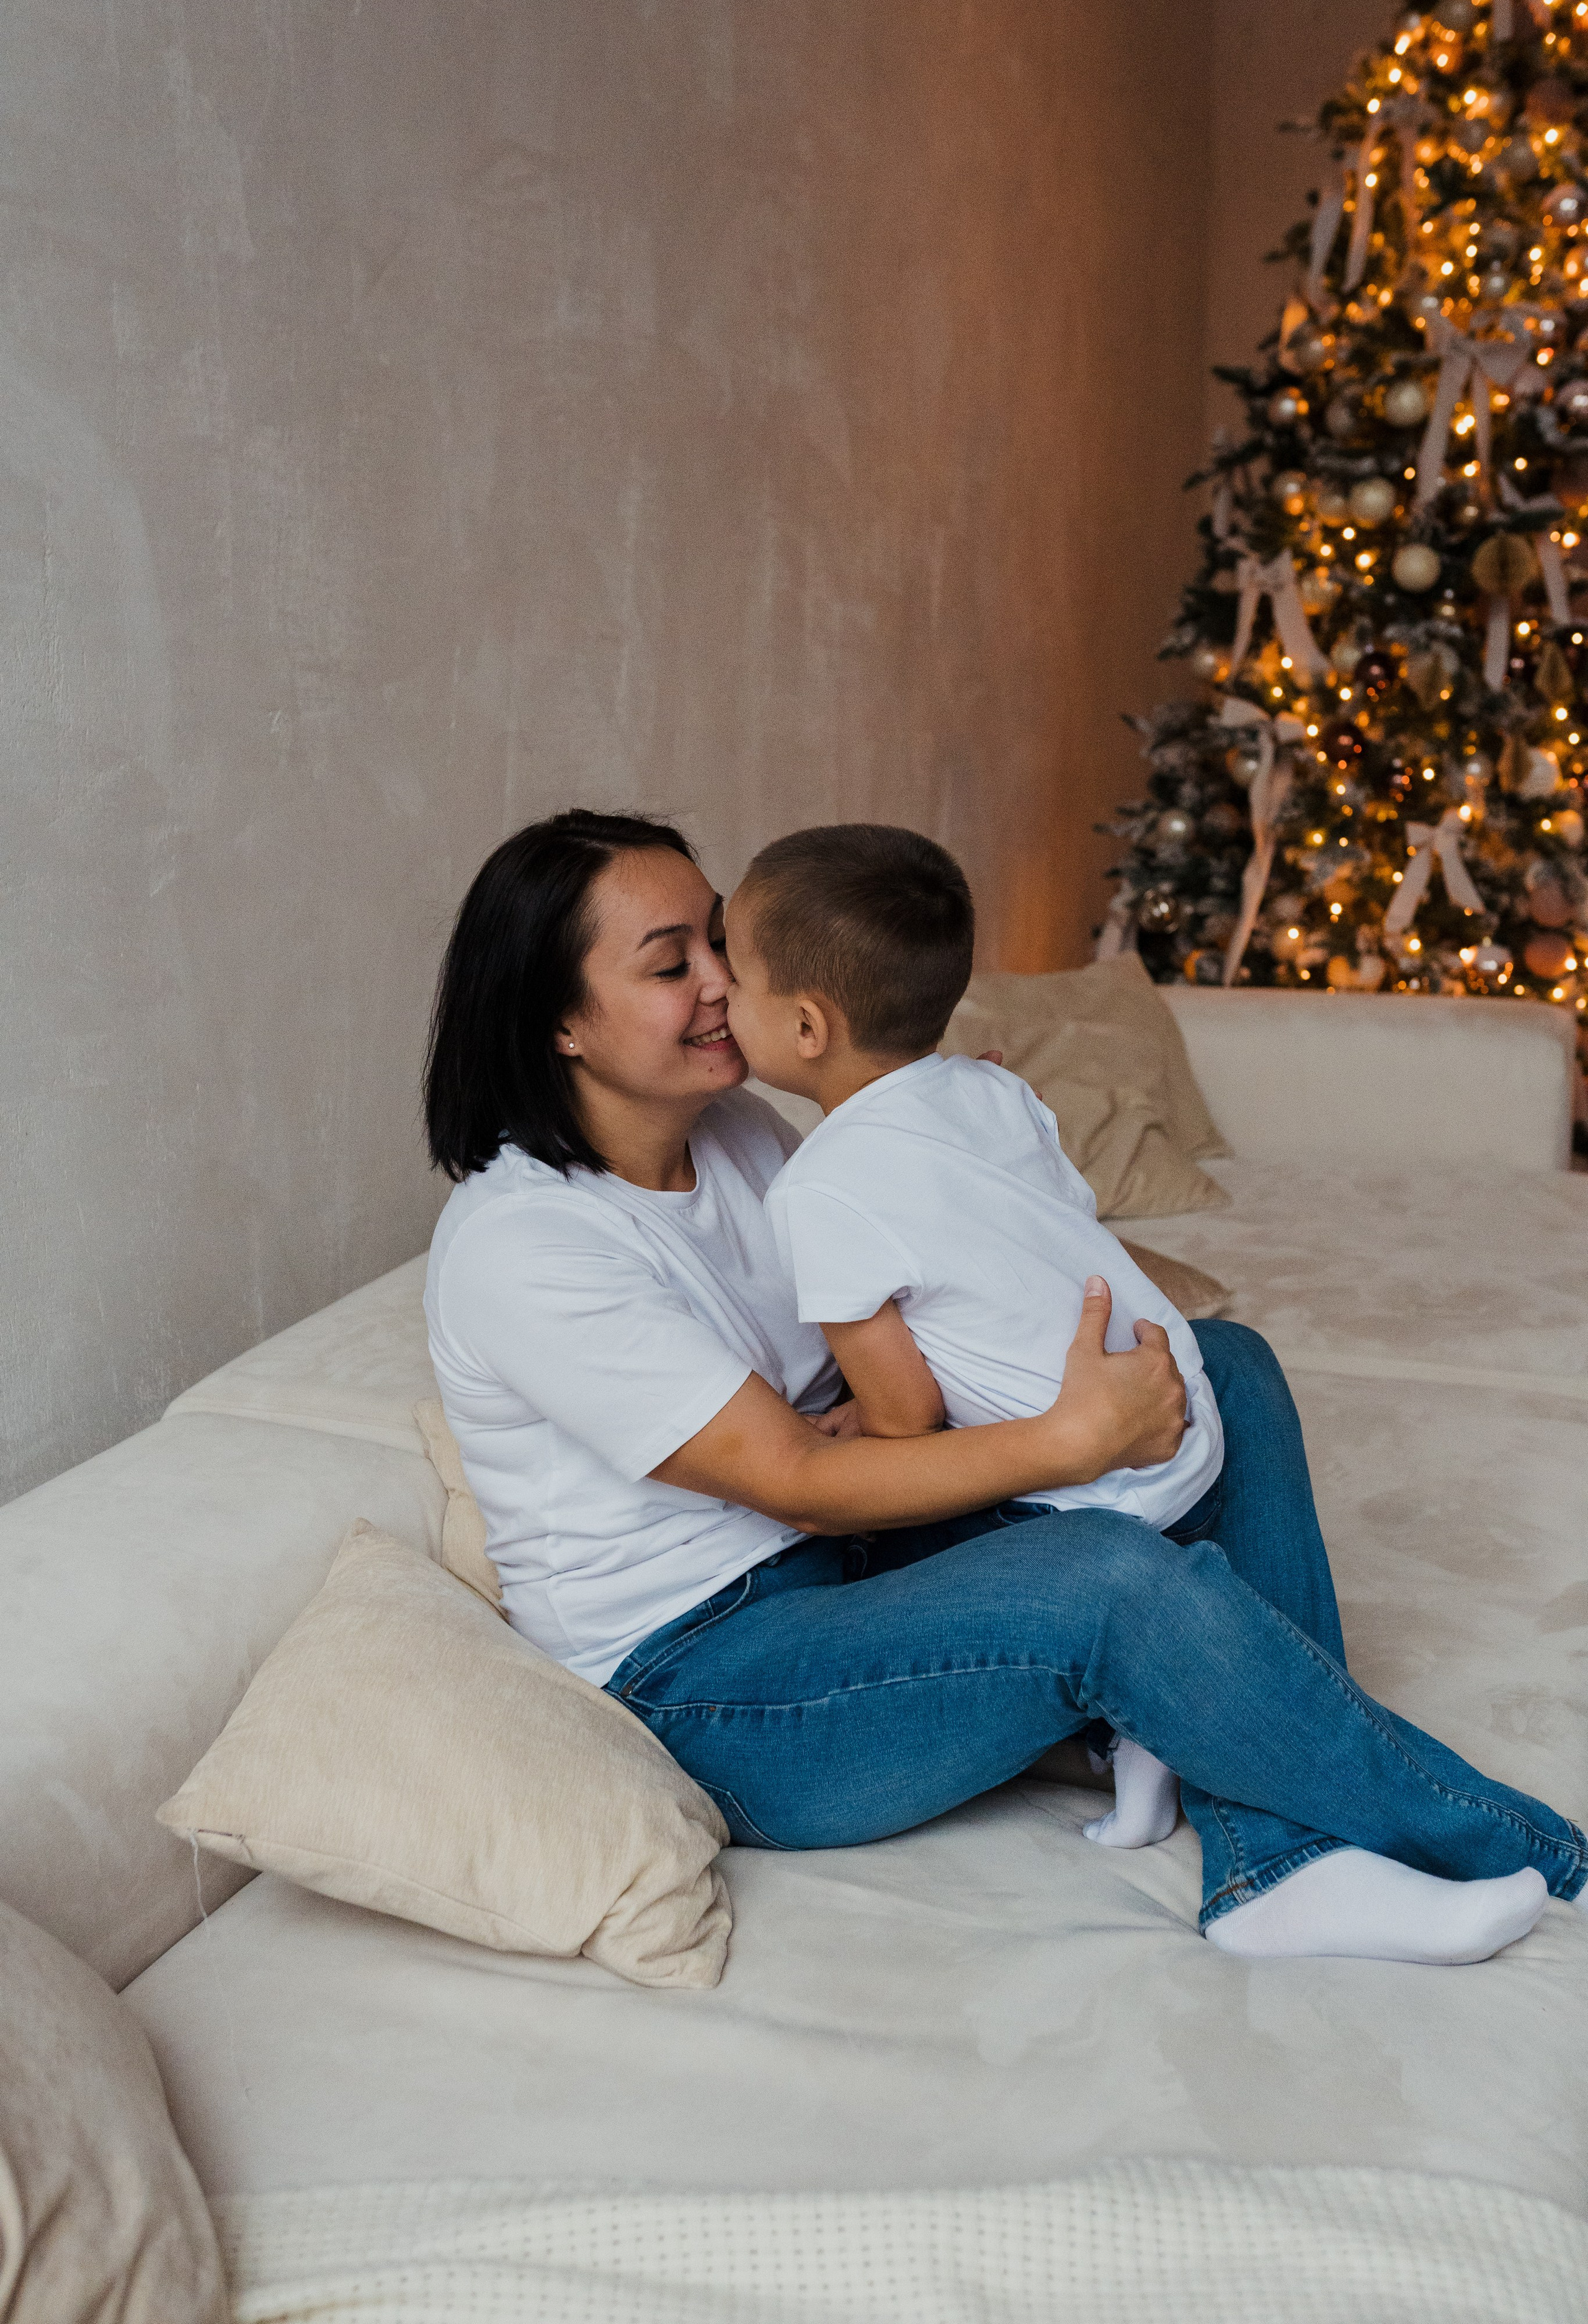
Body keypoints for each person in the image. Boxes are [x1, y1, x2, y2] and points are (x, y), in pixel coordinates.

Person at [422, 807, 1587, 1965]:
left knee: (1219, 1368)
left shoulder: (744, 1141)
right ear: (560, 1021)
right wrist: (1073, 1443)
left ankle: (1281, 1855)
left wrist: (955, 1141)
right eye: (674, 965)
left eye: (720, 943)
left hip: (860, 1564)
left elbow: (902, 1344)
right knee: (1107, 1579)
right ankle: (1528, 1851)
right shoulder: (524, 1245)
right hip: (717, 1688)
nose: (725, 983)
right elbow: (801, 1482)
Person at [726, 820, 1219, 1851]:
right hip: (1185, 1419)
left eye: (733, 977)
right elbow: (1059, 1221)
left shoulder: (822, 1188)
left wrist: (840, 1432)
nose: (718, 1000)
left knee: (885, 1520)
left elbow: (910, 1416)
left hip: (1092, 1494)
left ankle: (1146, 1711)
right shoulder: (995, 1088)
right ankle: (1165, 1708)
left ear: (808, 1027)